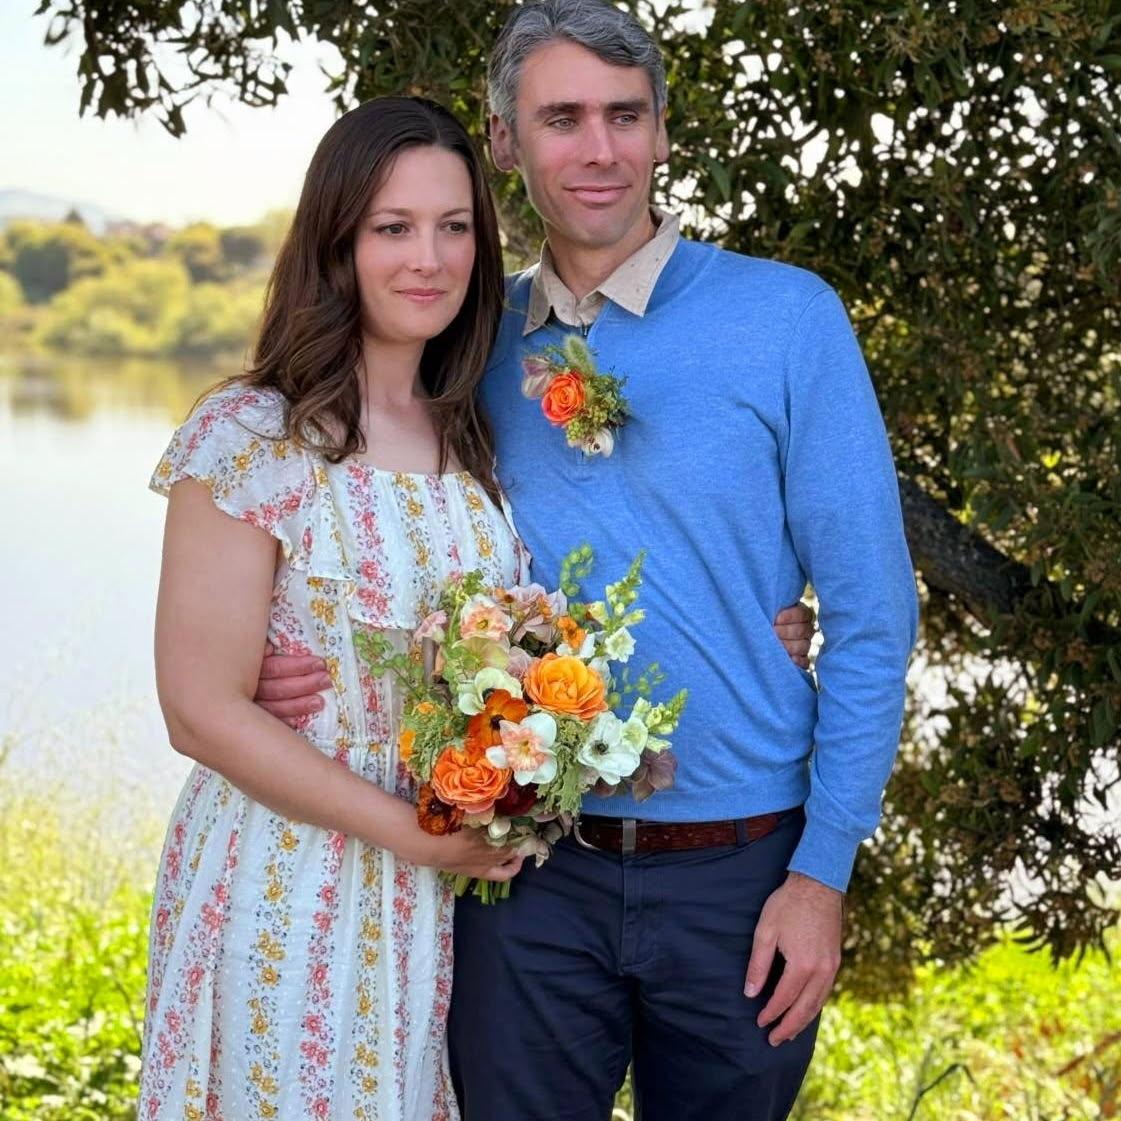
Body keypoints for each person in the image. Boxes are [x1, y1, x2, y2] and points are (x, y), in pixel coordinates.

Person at [255, 3, 913, 1118]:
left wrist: (821, 873)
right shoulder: (464, 340)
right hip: (524, 875)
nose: (598, 148)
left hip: (742, 874)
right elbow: (383, 528)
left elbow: (872, 614)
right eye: (561, 118)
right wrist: (301, 659)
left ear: (662, 131)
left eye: (625, 115)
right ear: (504, 141)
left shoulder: (786, 319)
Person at [138, 96, 531, 1121]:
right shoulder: (254, 433)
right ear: (336, 241)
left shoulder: (474, 436)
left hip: (443, 903)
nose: (428, 258)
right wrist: (413, 832)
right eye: (392, 227)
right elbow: (198, 709)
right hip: (287, 880)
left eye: (453, 226)